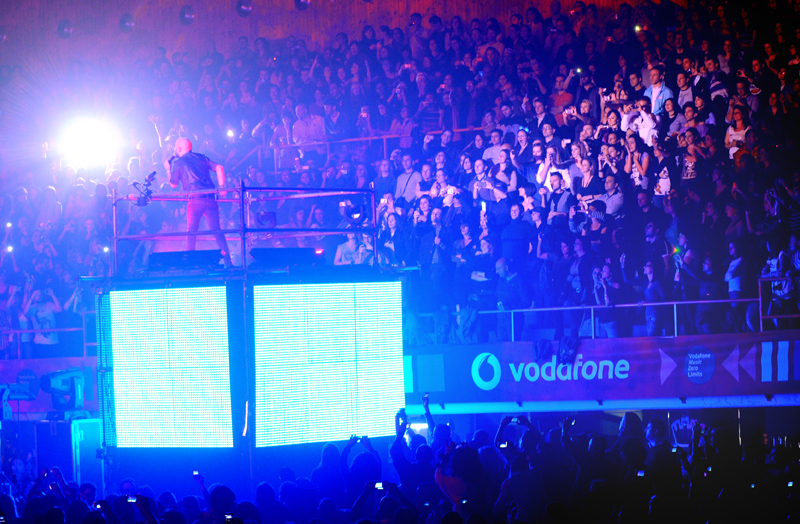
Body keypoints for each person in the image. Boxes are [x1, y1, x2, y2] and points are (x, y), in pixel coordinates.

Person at [166, 137, 232, 267]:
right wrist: (222, 186)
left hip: (195, 199)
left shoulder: (178, 163)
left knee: (192, 231)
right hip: (210, 198)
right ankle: (229, 263)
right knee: (217, 231)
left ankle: (190, 263)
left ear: (178, 148)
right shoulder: (202, 157)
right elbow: (219, 167)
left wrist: (168, 169)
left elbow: (173, 184)